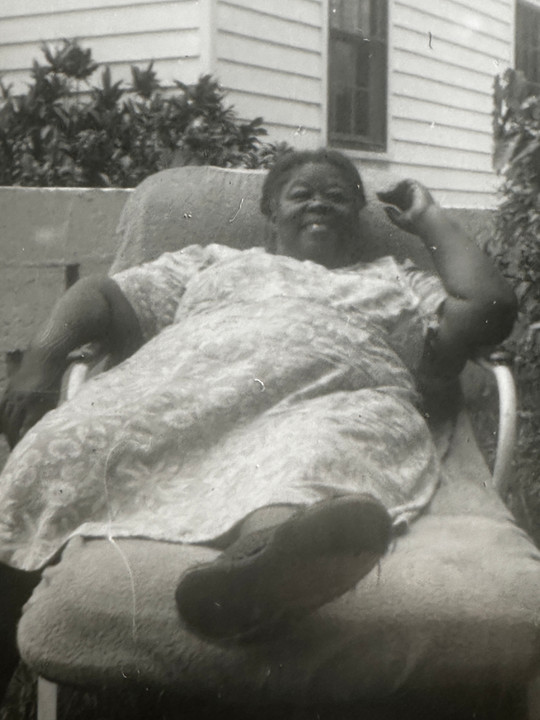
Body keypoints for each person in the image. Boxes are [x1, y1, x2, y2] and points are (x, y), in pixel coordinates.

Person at [0, 150, 516, 698]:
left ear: (358, 216)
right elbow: (99, 293)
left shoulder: (396, 279)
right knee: (58, 447)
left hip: (331, 396)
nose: (319, 202)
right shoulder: (215, 262)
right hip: (187, 388)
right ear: (271, 211)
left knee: (317, 453)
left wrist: (428, 215)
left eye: (337, 196)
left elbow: (489, 304)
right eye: (301, 194)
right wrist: (43, 359)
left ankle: (257, 572)